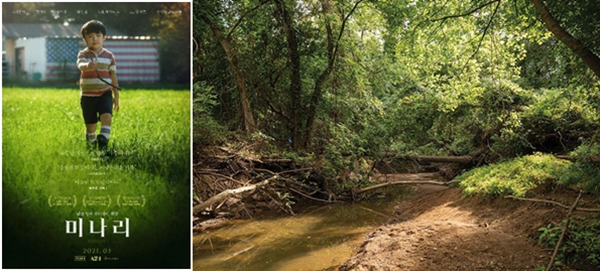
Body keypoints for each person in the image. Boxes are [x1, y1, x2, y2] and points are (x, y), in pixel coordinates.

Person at [77, 20, 120, 150]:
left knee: (107, 115)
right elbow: (80, 65)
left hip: (104, 93)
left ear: (104, 37)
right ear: (84, 39)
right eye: (90, 36)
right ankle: (91, 141)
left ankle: (103, 139)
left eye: (98, 35)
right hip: (87, 95)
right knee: (91, 125)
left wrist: (116, 95)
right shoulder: (83, 54)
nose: (94, 39)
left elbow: (113, 76)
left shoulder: (109, 56)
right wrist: (88, 66)